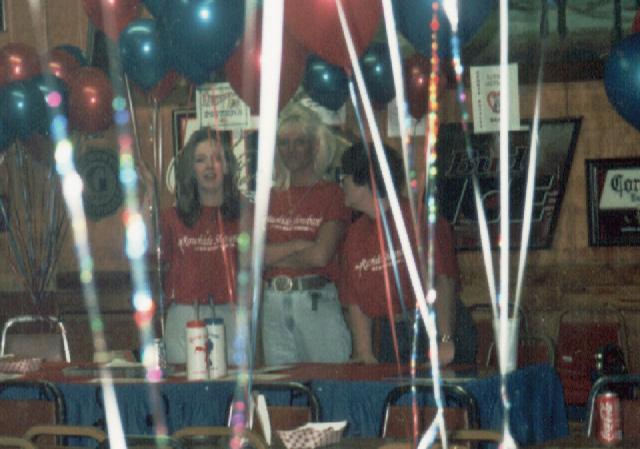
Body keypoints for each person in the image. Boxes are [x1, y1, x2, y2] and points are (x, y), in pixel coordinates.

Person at [339, 142, 477, 365]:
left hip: (431, 327)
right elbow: (355, 300)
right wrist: (363, 352)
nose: (341, 184)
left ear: (364, 179)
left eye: (343, 177)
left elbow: (442, 281)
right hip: (390, 334)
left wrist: (444, 339)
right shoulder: (354, 235)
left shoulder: (418, 220)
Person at [261, 103, 352, 366]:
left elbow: (321, 255)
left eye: (299, 142)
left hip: (316, 301)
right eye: (284, 142)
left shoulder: (332, 194)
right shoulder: (269, 197)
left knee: (329, 383)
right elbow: (255, 257)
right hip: (273, 304)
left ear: (315, 146)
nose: (290, 150)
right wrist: (298, 246)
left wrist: (275, 256)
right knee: (281, 387)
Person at [143, 127, 240, 365]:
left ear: (227, 166)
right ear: (191, 169)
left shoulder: (244, 215)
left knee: (230, 386)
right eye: (200, 160)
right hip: (185, 314)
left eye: (217, 158)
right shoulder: (173, 217)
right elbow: (147, 250)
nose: (209, 166)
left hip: (230, 314)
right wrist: (149, 194)